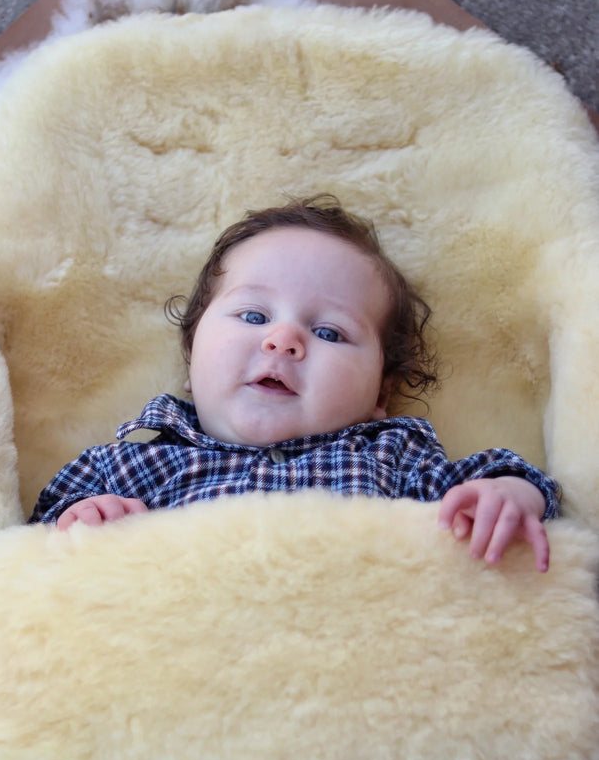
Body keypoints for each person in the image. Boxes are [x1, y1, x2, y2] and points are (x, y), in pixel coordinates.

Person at [30, 196, 560, 571]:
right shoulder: (133, 464)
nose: (283, 341)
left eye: (328, 331)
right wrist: (84, 520)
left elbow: (509, 478)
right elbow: (28, 552)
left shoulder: (391, 458)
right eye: (254, 317)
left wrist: (508, 496)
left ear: (380, 393)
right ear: (193, 350)